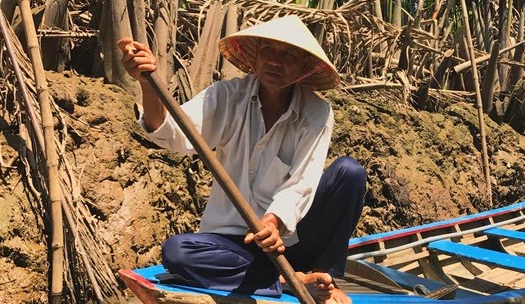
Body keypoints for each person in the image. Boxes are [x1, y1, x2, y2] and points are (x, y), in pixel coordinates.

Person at [118, 15, 366, 304]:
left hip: (291, 239)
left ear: (303, 68)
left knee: (349, 172)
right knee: (177, 251)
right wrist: (147, 83)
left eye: (288, 54)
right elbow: (170, 133)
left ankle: (324, 279)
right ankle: (287, 281)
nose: (275, 61)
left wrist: (273, 223)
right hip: (235, 247)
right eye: (268, 50)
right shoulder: (226, 96)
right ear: (255, 56)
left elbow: (303, 182)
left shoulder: (316, 112)